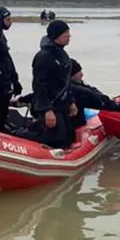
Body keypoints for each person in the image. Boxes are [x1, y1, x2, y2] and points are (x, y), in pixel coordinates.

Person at [19, 59, 120, 113]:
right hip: (68, 124)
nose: (82, 74)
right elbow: (98, 100)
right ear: (70, 75)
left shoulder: (58, 85)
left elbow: (38, 94)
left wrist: (20, 100)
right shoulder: (75, 90)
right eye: (79, 72)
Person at [31, 20, 78, 148]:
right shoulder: (44, 56)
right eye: (66, 33)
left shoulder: (63, 54)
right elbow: (38, 85)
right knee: (57, 139)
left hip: (61, 103)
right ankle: (20, 134)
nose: (69, 36)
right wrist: (47, 110)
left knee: (69, 135)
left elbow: (66, 83)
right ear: (57, 35)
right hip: (48, 104)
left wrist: (71, 102)